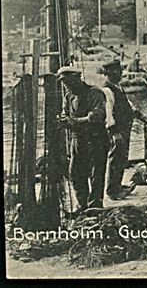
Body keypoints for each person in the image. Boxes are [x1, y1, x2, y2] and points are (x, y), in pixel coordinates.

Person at [57, 67, 108, 212]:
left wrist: (76, 121)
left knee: (96, 174)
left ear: (77, 78)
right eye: (63, 83)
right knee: (75, 173)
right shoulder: (69, 97)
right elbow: (65, 113)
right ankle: (82, 205)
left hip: (96, 139)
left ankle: (95, 206)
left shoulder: (94, 92)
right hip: (77, 140)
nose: (66, 85)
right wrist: (64, 121)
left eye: (68, 82)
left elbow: (97, 115)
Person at [100, 60, 147, 200]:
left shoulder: (118, 87)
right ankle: (112, 190)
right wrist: (113, 131)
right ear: (109, 73)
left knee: (122, 158)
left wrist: (138, 115)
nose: (120, 74)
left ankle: (118, 185)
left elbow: (128, 104)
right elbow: (108, 112)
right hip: (117, 130)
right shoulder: (107, 90)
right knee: (115, 158)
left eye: (120, 72)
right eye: (117, 72)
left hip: (125, 128)